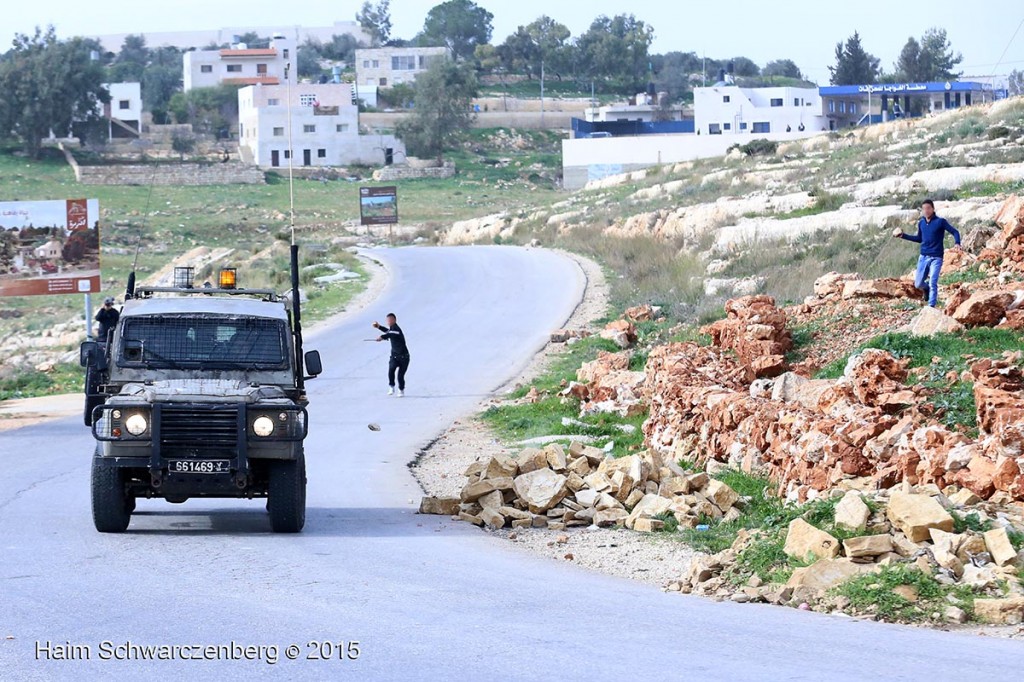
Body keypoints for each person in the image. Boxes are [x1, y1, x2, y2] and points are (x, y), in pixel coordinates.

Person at [892, 199, 961, 307]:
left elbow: (955, 232)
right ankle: (926, 289)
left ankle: (931, 306)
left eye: (928, 208)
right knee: (918, 283)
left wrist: (957, 242)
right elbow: (919, 239)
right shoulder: (921, 223)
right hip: (923, 257)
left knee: (933, 282)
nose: (926, 211)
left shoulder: (940, 222)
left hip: (936, 258)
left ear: (933, 209)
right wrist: (903, 236)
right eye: (924, 209)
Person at [373, 313, 410, 397]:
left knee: (400, 375)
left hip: (404, 357)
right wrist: (379, 327)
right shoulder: (392, 329)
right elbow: (388, 331)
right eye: (387, 320)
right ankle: (391, 386)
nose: (388, 322)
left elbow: (390, 334)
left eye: (390, 320)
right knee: (391, 370)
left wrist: (382, 337)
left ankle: (401, 390)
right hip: (394, 356)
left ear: (394, 320)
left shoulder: (397, 329)